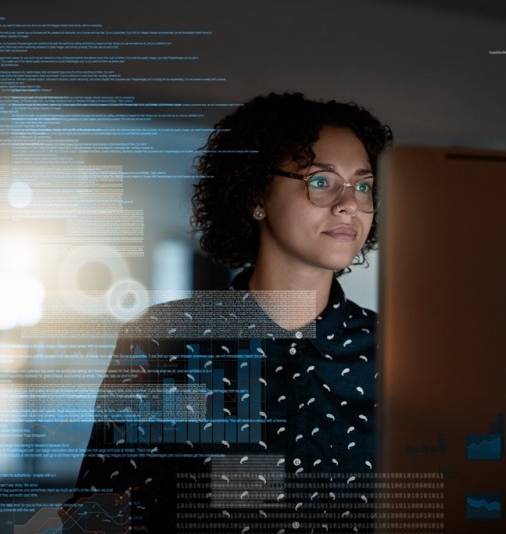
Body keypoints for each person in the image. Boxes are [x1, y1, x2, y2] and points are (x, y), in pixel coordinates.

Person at [60, 92, 392, 533]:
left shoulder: (398, 350)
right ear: (256, 194)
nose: (348, 203)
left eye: (363, 185)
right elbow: (99, 514)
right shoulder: (164, 339)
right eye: (320, 181)